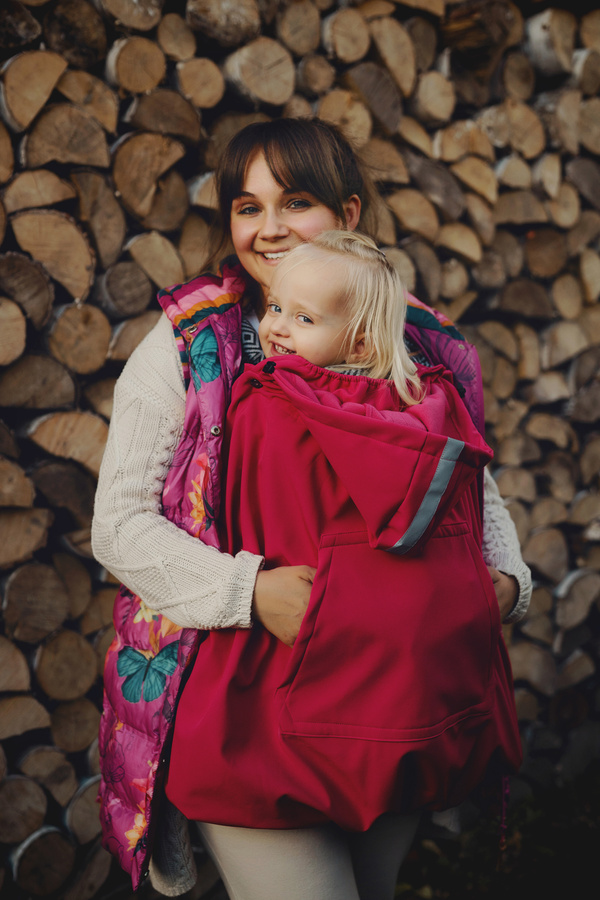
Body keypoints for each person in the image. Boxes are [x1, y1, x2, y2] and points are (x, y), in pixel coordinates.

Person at [92, 118, 531, 900]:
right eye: (247, 207)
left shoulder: (410, 340)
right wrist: (249, 590)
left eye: (294, 202)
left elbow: (467, 482)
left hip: (396, 699)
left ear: (348, 214)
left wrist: (505, 582)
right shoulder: (190, 344)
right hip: (248, 698)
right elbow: (119, 525)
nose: (268, 229)